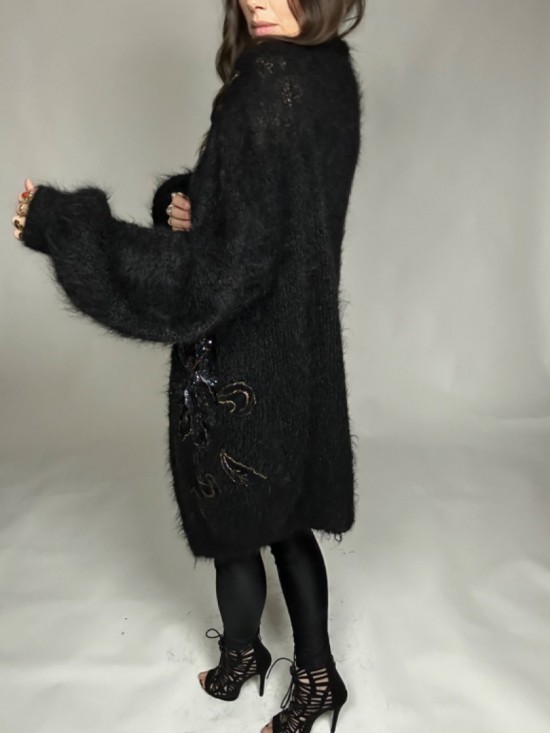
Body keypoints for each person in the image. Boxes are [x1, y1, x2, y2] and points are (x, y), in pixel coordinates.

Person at [12, 0, 364, 730]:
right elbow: (275, 217)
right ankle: (301, 671)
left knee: (234, 523)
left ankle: (264, 664)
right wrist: (195, 203)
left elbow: (212, 279)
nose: (256, 0)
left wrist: (66, 229)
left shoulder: (265, 84)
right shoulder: (328, 74)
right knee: (286, 517)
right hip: (300, 346)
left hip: (244, 354)